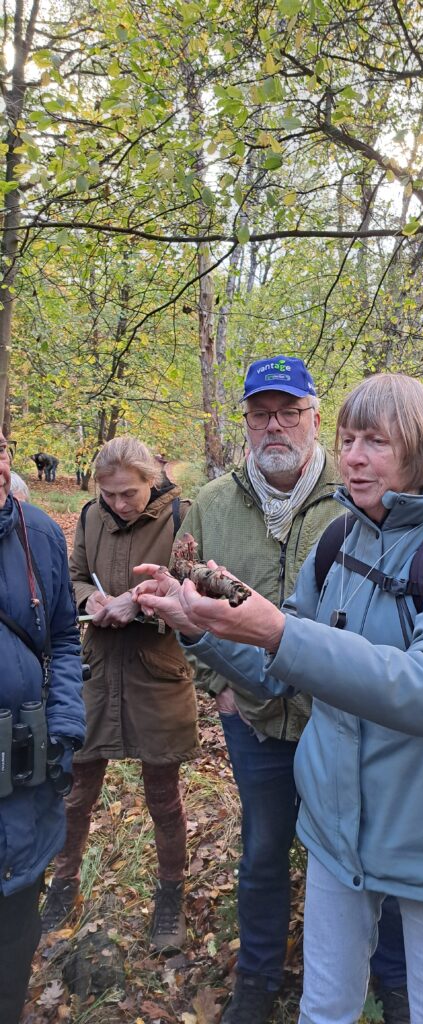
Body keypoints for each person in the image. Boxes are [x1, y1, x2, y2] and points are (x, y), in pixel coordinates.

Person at [134, 373, 423, 1024]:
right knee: (323, 1007)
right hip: (336, 825)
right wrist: (196, 626)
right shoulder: (340, 542)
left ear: (422, 448)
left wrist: (278, 630)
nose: (353, 456)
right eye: (347, 439)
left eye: (375, 440)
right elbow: (276, 672)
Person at [41, 436, 200, 952]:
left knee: (163, 797)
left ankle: (170, 897)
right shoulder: (90, 516)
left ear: (152, 479)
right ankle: (62, 886)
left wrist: (142, 600)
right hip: (95, 669)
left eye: (128, 493)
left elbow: (195, 587)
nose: (119, 504)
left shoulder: (182, 517)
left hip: (157, 671)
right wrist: (99, 599)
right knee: (76, 790)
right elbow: (72, 579)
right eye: (109, 495)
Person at [0, 431, 85, 1024]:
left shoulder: (42, 535)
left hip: (22, 784)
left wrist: (63, 728)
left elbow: (61, 638)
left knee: (13, 934)